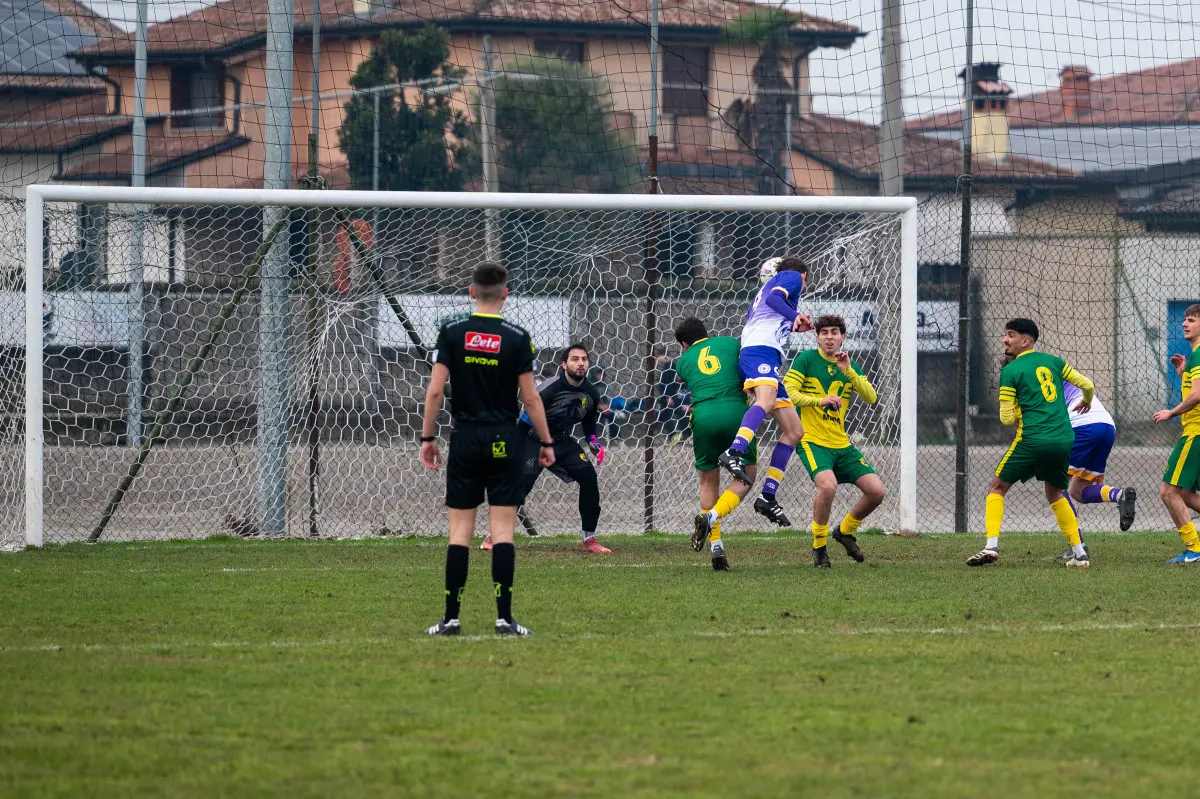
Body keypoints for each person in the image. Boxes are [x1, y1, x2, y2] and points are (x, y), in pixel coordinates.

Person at [419, 262, 555, 637]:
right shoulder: (517, 336)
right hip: (502, 439)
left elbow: (434, 391)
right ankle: (504, 618)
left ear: (471, 292)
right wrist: (546, 442)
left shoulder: (451, 332)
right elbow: (530, 397)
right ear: (505, 294)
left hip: (464, 439)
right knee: (503, 532)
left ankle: (450, 619)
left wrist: (427, 438)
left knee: (459, 532)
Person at [967, 318, 1096, 568]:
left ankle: (991, 546)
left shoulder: (1011, 370)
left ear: (1025, 341)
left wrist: (1020, 409)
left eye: (1011, 335)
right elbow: (1087, 385)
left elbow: (1006, 419)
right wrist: (1087, 400)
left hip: (1033, 439)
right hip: (1063, 438)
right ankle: (1080, 554)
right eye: (1006, 334)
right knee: (1055, 492)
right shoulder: (1054, 362)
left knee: (997, 488)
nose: (1005, 339)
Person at [718, 256, 814, 527]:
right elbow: (775, 299)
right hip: (761, 351)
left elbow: (768, 312)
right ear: (803, 275)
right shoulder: (792, 277)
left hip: (763, 354)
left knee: (795, 430)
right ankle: (734, 451)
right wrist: (795, 315)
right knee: (766, 400)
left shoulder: (764, 291)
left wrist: (796, 321)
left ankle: (768, 496)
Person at [783, 315, 886, 568]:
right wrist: (819, 400)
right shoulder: (806, 359)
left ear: (843, 337)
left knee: (876, 492)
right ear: (817, 336)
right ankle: (819, 547)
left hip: (841, 443)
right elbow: (788, 392)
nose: (829, 337)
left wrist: (849, 371)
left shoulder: (848, 365)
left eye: (835, 332)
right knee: (827, 487)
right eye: (824, 332)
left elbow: (871, 397)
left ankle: (845, 531)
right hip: (812, 441)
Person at [501, 343, 612, 554]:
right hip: (534, 440)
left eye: (584, 359)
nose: (580, 363)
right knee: (522, 483)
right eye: (575, 359)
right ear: (564, 364)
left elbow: (589, 423)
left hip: (562, 441)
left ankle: (589, 539)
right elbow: (524, 423)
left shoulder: (591, 393)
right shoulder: (548, 390)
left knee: (588, 478)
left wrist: (594, 443)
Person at [674, 317, 759, 571]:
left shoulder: (682, 361)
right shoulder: (731, 343)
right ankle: (711, 517)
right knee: (746, 475)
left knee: (708, 481)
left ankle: (716, 546)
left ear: (684, 344)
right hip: (736, 411)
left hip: (703, 415)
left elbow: (687, 379)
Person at [1153, 302, 1200, 564]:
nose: (1185, 323)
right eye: (1185, 319)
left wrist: (1171, 412)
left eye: (1192, 320)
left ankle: (1194, 549)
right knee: (1185, 494)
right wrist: (1184, 373)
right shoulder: (1194, 357)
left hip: (1195, 434)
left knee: (1168, 491)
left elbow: (1198, 395)